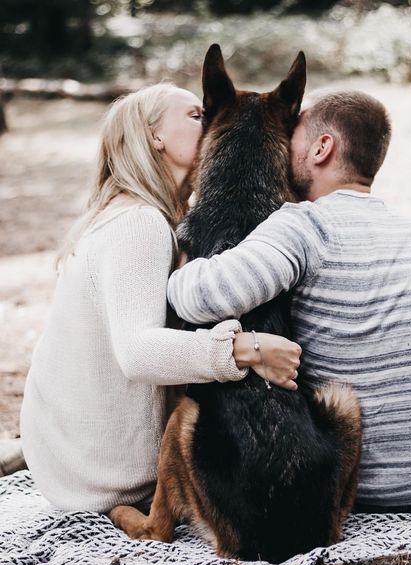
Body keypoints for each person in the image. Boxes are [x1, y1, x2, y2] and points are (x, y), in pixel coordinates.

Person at [167, 89, 411, 513]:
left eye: (290, 135)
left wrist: (181, 264)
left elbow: (203, 299)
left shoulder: (306, 225)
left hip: (369, 489)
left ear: (322, 147)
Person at [16, 83, 301, 512]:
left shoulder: (132, 213)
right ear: (155, 137)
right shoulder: (140, 224)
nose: (213, 120)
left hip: (67, 457)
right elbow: (137, 352)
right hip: (109, 474)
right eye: (195, 114)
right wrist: (249, 349)